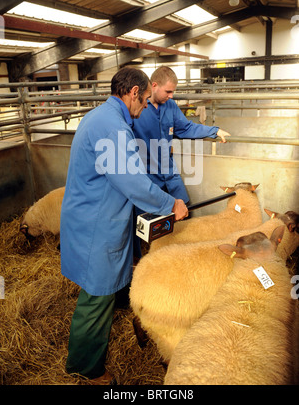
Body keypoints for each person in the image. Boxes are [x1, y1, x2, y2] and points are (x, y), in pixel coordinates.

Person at [60, 66, 188, 385]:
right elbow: (131, 181)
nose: (145, 107)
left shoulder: (102, 116)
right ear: (133, 94)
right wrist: (170, 204)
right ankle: (85, 367)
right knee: (95, 296)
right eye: (145, 100)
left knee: (106, 284)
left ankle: (115, 304)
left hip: (93, 214)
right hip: (96, 225)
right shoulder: (114, 127)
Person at [132, 66, 230, 255]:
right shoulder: (137, 109)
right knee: (145, 218)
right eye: (168, 91)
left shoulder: (170, 106)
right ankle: (144, 258)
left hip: (169, 170)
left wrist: (214, 130)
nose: (171, 95)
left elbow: (185, 128)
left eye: (173, 92)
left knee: (184, 206)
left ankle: (180, 252)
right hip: (147, 174)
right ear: (154, 86)